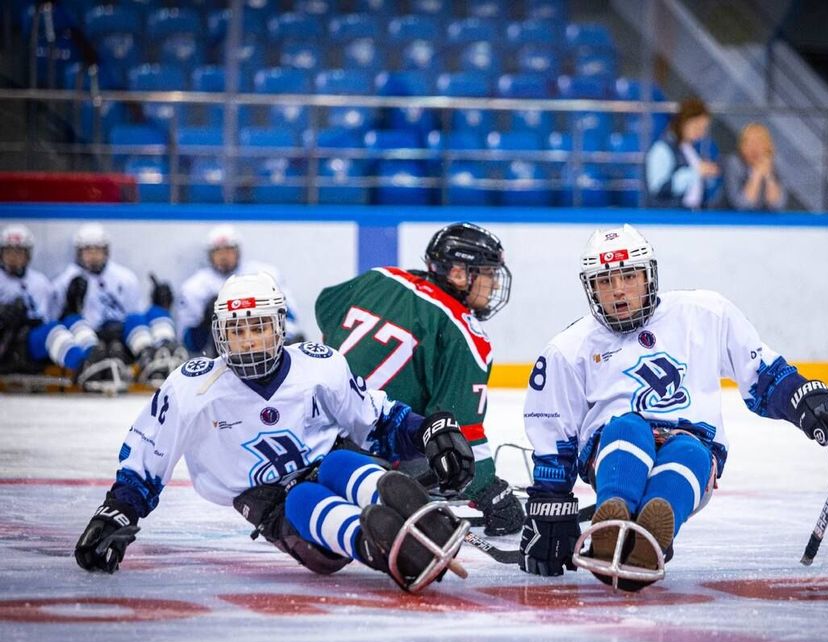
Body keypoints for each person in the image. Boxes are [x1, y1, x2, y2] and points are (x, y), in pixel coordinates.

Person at [74, 272, 476, 593]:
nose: (248, 342)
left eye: (258, 328)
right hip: (269, 501)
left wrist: (427, 429)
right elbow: (148, 459)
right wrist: (116, 511)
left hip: (330, 462)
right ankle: (372, 543)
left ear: (280, 327)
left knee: (338, 461)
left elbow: (376, 421)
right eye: (238, 331)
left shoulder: (319, 366)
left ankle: (422, 519)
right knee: (303, 497)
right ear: (220, 334)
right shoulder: (192, 388)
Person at [517, 224, 828, 590]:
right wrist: (548, 503)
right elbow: (555, 429)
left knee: (690, 453)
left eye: (629, 276)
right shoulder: (570, 347)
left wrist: (811, 402)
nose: (618, 290)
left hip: (692, 442)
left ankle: (650, 533)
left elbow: (766, 377)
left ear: (649, 276)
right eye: (605, 282)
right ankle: (615, 520)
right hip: (614, 444)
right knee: (628, 427)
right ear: (590, 288)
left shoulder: (705, 314)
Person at [314, 222, 525, 536]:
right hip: (361, 455)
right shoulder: (465, 335)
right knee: (439, 453)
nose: (493, 285)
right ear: (457, 274)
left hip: (304, 429)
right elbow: (458, 432)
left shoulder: (380, 277)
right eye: (488, 273)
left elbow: (325, 306)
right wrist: (489, 492)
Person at [52, 223, 186, 387]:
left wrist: (162, 304)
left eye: (97, 250)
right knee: (73, 321)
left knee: (142, 317)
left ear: (106, 251)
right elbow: (57, 321)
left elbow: (135, 314)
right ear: (79, 253)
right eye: (88, 250)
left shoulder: (125, 277)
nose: (93, 255)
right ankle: (89, 361)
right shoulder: (66, 280)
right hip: (91, 337)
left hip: (122, 335)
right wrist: (69, 306)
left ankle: (153, 357)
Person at [176, 225, 305, 357]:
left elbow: (289, 316)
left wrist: (286, 338)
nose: (224, 256)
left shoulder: (265, 275)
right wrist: (205, 323)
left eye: (228, 249)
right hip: (221, 358)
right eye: (218, 251)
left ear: (238, 251)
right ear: (210, 254)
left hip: (266, 352)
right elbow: (189, 342)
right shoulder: (195, 287)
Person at [0, 224, 94, 380]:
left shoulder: (40, 282)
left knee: (68, 324)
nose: (14, 257)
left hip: (30, 343)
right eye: (9, 252)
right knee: (52, 333)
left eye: (19, 252)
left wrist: (69, 307)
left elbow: (51, 318)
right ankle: (83, 367)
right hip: (8, 346)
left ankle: (94, 359)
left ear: (28, 255)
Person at [645, 97, 721, 210]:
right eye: (697, 126)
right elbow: (658, 188)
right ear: (683, 121)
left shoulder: (693, 150)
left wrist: (709, 176)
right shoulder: (662, 148)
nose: (700, 132)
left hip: (693, 214)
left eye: (703, 128)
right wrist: (695, 172)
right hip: (670, 218)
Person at [724, 122, 787, 211]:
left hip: (767, 222)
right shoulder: (735, 163)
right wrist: (756, 174)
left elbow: (777, 205)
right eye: (749, 143)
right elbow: (742, 205)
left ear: (768, 147)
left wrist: (769, 176)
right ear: (742, 148)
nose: (754, 149)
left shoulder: (776, 164)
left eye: (759, 142)